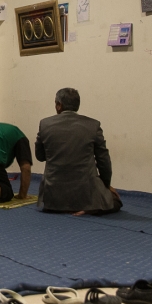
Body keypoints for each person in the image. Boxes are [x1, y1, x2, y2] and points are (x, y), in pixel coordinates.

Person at [34, 88, 121, 216]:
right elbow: (104, 162)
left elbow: (40, 156)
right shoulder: (93, 125)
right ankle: (89, 208)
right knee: (116, 201)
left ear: (59, 105)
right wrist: (106, 186)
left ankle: (64, 207)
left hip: (53, 198)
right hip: (85, 194)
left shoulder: (45, 124)